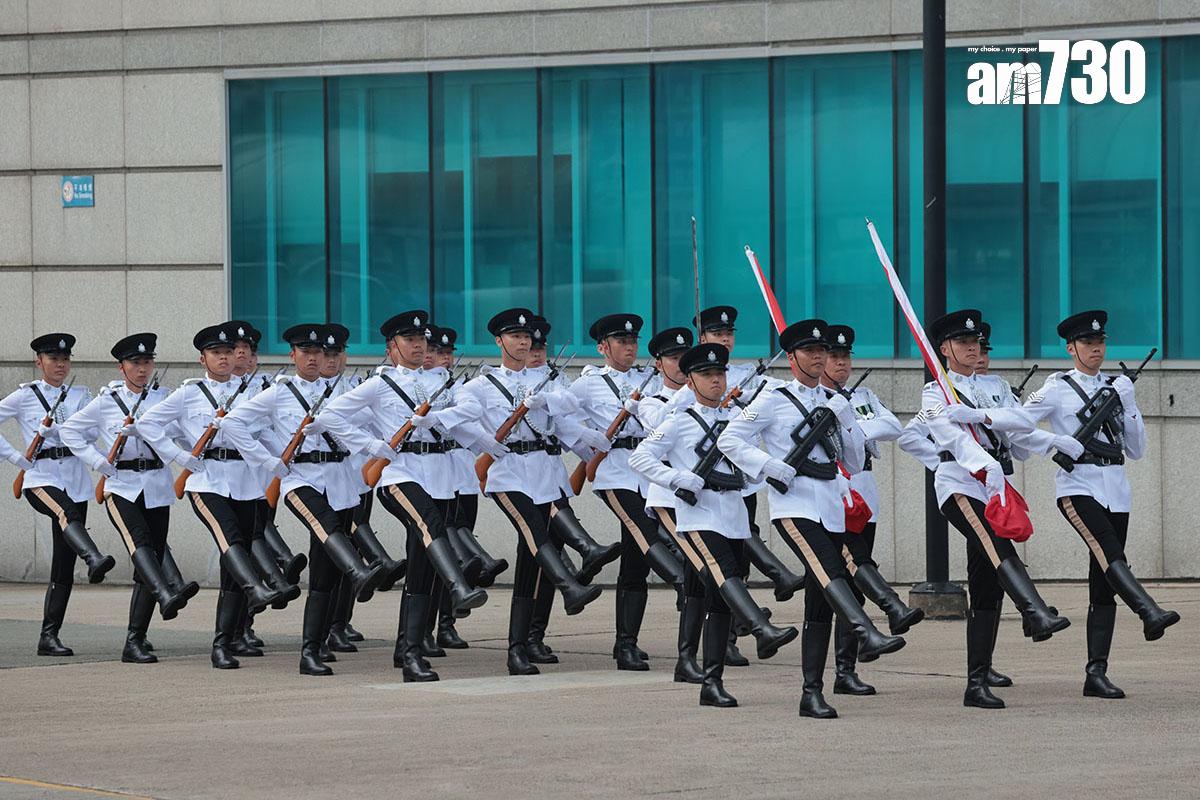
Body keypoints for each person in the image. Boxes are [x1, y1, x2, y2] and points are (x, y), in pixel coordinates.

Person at [718, 319, 906, 719]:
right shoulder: (773, 398)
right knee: (833, 571)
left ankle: (812, 692)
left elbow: (853, 461)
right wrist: (770, 466)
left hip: (832, 506)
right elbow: (729, 439)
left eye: (823, 351)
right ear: (792, 357)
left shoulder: (836, 399)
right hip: (794, 507)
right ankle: (865, 631)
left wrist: (849, 419)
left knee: (820, 604)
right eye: (811, 351)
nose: (820, 357)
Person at [896, 309, 1071, 710]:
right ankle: (1035, 611)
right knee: (997, 548)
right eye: (963, 342)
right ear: (944, 349)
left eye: (976, 342)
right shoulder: (936, 392)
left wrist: (1050, 443)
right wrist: (954, 461)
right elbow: (948, 439)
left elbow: (1020, 429)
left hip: (995, 486)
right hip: (962, 485)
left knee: (987, 582)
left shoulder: (996, 386)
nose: (973, 348)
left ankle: (979, 676)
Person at [319, 312, 488, 681]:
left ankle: (407, 651)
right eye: (409, 340)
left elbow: (474, 408)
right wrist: (371, 444)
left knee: (421, 567)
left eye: (421, 340)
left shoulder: (441, 380)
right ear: (392, 347)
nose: (417, 346)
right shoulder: (381, 384)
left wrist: (438, 420)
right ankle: (459, 586)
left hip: (438, 477)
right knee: (430, 524)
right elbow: (331, 415)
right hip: (398, 475)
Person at [632, 341, 800, 707]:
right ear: (690, 381)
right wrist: (676, 478)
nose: (715, 381)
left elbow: (750, 467)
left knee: (717, 599)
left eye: (719, 373)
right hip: (698, 516)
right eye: (706, 375)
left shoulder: (736, 422)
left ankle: (712, 681)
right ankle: (760, 626)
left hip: (734, 516)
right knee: (726, 577)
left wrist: (757, 476)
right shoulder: (678, 421)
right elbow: (640, 458)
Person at [1022, 310, 1179, 699]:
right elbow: (1016, 426)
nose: (1096, 349)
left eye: (1100, 343)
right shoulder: (1055, 388)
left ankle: (1096, 673)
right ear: (1070, 348)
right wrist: (1055, 442)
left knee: (1103, 584)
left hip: (1116, 488)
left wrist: (1130, 404)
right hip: (1077, 488)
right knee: (1112, 556)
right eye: (1088, 343)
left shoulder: (1117, 387)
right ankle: (1148, 610)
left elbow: (1137, 450)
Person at [459, 308, 604, 675]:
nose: (524, 343)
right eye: (516, 337)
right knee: (536, 534)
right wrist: (484, 442)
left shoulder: (547, 382)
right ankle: (569, 585)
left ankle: (519, 647)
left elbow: (572, 404)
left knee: (531, 561)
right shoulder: (481, 386)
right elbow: (456, 420)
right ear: (499, 341)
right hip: (507, 474)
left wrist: (547, 403)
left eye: (527, 338)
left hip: (544, 474)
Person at [137, 323, 290, 670]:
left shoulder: (251, 392)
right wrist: (179, 456)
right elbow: (148, 424)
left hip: (246, 481)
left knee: (232, 563)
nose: (223, 358)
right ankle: (255, 589)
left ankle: (224, 642)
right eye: (216, 353)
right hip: (206, 481)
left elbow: (268, 430)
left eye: (226, 353)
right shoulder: (189, 394)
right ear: (202, 359)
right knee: (232, 540)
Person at [60, 333, 200, 663]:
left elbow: (182, 431)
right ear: (121, 366)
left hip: (156, 483)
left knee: (150, 554)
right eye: (135, 363)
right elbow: (69, 431)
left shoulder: (163, 398)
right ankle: (165, 592)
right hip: (121, 485)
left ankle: (136, 638)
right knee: (140, 544)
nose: (142, 369)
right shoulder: (106, 401)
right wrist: (98, 461)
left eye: (147, 362)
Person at [570, 313, 687, 671]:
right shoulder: (588, 384)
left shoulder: (649, 379)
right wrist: (590, 446)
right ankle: (682, 580)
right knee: (644, 531)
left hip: (647, 472)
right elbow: (564, 422)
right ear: (603, 347)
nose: (629, 347)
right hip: (614, 471)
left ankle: (626, 645)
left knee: (636, 563)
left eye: (633, 341)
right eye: (622, 342)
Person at [819, 324, 924, 696]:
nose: (842, 363)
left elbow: (892, 425)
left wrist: (854, 426)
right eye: (834, 356)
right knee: (855, 563)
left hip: (865, 490)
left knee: (852, 585)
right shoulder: (812, 399)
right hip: (833, 493)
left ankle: (848, 668)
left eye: (846, 356)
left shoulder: (861, 395)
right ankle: (891, 608)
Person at [0, 334, 113, 656]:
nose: (60, 364)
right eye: (53, 359)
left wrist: (65, 432)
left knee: (62, 564)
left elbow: (92, 432)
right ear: (39, 362)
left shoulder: (80, 396)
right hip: (40, 477)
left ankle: (49, 637)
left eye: (65, 359)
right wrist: (13, 456)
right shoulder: (25, 396)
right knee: (67, 515)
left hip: (74, 478)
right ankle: (93, 557)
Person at [524, 314, 622, 664]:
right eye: (531, 346)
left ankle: (534, 635)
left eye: (540, 347)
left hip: (551, 471)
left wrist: (590, 452)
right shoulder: (513, 383)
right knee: (539, 557)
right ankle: (525, 639)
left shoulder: (556, 380)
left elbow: (565, 424)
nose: (536, 353)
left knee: (545, 559)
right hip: (522, 476)